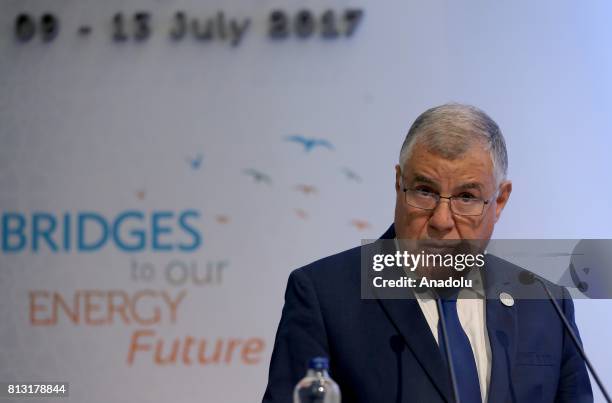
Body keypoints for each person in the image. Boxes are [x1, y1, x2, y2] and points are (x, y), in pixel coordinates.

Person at [262, 104, 593, 402]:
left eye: (466, 197)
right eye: (424, 191)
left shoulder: (547, 305)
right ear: (398, 183)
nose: (441, 220)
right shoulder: (326, 297)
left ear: (500, 200)